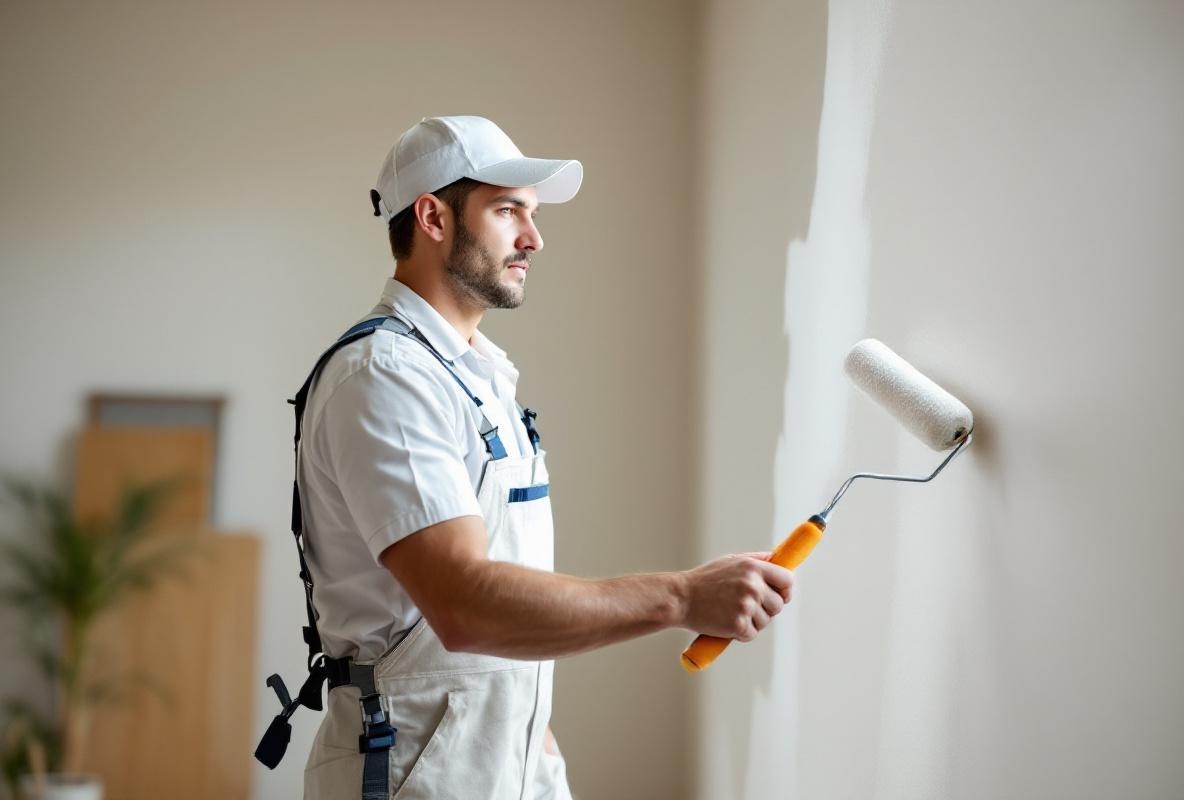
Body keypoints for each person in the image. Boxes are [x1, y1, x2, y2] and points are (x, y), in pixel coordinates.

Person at [293, 116, 794, 800]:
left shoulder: (478, 376)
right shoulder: (384, 376)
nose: (534, 238)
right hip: (411, 777)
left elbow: (499, 624)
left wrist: (542, 759)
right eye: (506, 211)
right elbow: (466, 605)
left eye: (529, 214)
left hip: (510, 770)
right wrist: (681, 597)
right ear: (433, 217)